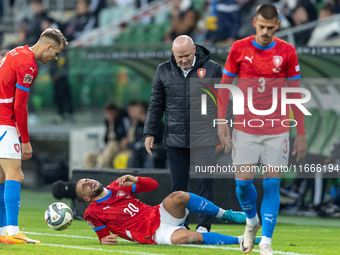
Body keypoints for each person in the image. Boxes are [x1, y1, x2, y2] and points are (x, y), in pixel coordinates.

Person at [217, 4, 307, 255]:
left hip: (277, 127)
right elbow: (224, 87)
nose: (266, 32)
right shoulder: (239, 48)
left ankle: (265, 240)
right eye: (262, 27)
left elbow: (294, 94)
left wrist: (301, 132)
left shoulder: (287, 51)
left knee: (271, 184)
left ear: (277, 26)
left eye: (270, 28)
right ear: (255, 22)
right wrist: (221, 122)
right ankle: (251, 220)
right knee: (243, 184)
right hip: (245, 127)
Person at [144, 35, 222, 233]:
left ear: (194, 49)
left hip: (204, 138)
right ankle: (180, 225)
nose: (184, 60)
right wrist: (149, 133)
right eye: (179, 57)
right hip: (175, 140)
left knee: (206, 184)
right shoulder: (163, 70)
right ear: (173, 53)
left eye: (187, 55)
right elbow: (156, 104)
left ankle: (204, 226)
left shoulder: (213, 69)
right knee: (178, 188)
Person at [0, 28, 67, 244]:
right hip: (4, 122)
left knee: (2, 178)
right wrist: (25, 140)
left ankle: (3, 232)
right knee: (16, 175)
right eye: (55, 53)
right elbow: (20, 104)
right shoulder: (28, 64)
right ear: (48, 46)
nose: (55, 58)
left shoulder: (17, 52)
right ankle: (12, 231)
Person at [76, 174, 260, 245]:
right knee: (191, 238)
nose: (88, 182)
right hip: (154, 234)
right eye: (84, 185)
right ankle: (243, 239)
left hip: (158, 213)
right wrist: (103, 240)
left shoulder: (118, 185)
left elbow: (153, 185)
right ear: (86, 198)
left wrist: (137, 179)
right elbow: (102, 236)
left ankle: (225, 214)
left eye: (87, 180)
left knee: (178, 196)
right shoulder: (92, 212)